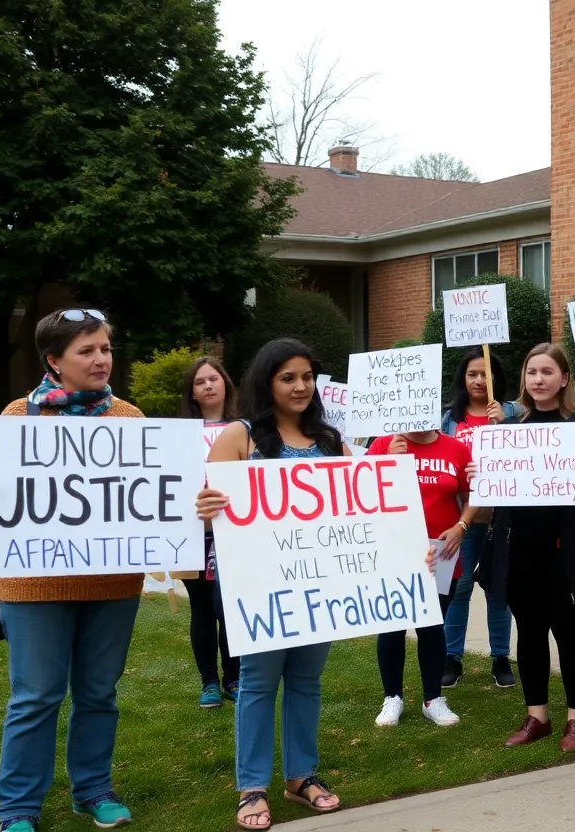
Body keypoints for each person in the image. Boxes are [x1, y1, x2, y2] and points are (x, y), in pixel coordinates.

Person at [0, 308, 143, 832]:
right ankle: (17, 808)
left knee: (99, 692)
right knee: (36, 695)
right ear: (54, 361)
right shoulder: (20, 417)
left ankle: (93, 789)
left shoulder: (130, 419)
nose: (101, 358)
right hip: (32, 582)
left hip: (114, 582)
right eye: (87, 350)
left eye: (105, 348)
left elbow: (150, 495)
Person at [196, 338, 348, 830]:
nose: (301, 386)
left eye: (307, 376)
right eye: (288, 377)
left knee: (306, 681)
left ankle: (301, 776)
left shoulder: (330, 439)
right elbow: (205, 520)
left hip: (319, 583)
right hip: (257, 586)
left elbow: (363, 500)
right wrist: (203, 511)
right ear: (267, 382)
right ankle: (252, 787)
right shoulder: (238, 438)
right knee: (258, 684)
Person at [472, 343, 575, 752]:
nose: (538, 379)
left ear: (565, 378)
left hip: (567, 552)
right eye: (531, 372)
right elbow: (498, 492)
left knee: (569, 631)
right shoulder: (511, 429)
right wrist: (482, 473)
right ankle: (537, 716)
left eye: (548, 372)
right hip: (519, 553)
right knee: (529, 632)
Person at [367, 427, 478, 728]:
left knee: (432, 626)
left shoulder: (455, 449)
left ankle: (433, 698)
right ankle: (392, 697)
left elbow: (473, 495)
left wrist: (461, 526)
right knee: (391, 626)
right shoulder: (382, 444)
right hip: (392, 552)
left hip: (440, 554)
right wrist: (387, 463)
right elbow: (362, 494)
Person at [440, 347, 520, 689]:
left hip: (501, 518)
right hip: (461, 517)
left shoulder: (513, 412)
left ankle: (500, 657)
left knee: (498, 589)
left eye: (485, 373)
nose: (478, 380)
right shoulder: (449, 418)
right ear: (463, 378)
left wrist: (506, 426)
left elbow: (527, 458)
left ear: (496, 378)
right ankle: (451, 658)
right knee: (458, 587)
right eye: (472, 374)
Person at [178, 355, 241, 709]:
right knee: (201, 608)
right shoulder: (177, 436)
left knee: (230, 607)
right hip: (191, 533)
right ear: (193, 393)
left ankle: (233, 678)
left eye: (213, 379)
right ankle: (209, 683)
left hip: (233, 532)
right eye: (200, 382)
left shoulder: (244, 429)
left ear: (225, 384)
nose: (208, 385)